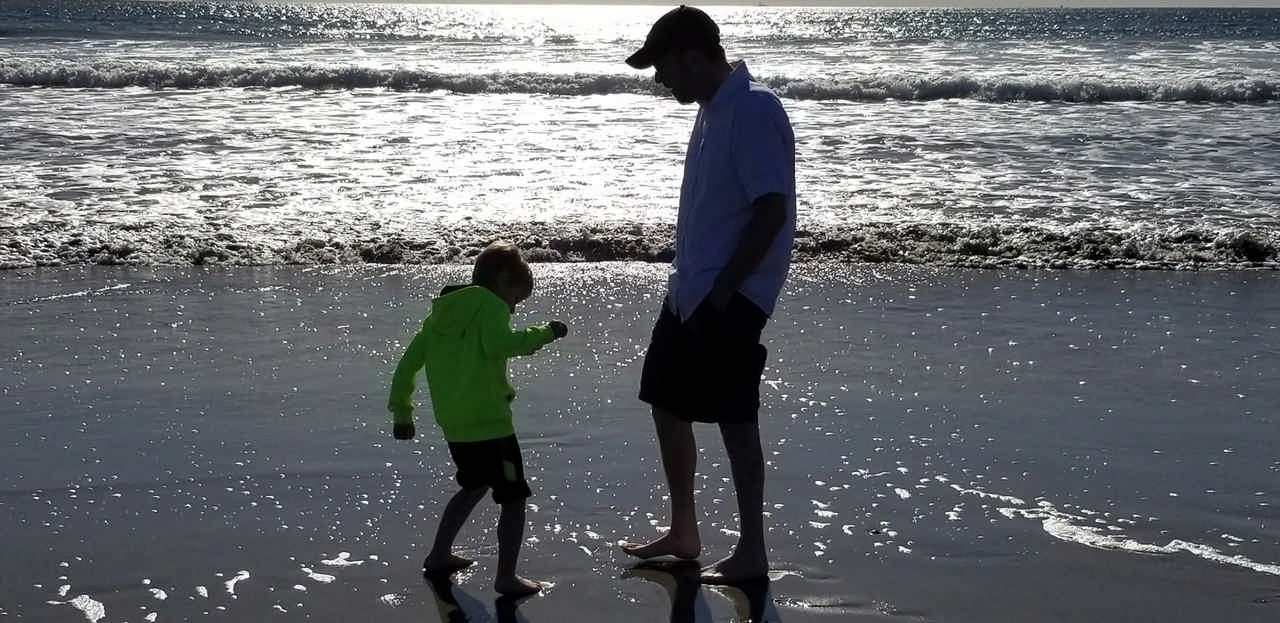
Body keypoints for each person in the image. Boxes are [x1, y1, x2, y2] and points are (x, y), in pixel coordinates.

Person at [620, 6, 797, 585]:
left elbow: (772, 209)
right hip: (690, 290)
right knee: (665, 401)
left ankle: (752, 549)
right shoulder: (711, 112)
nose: (658, 78)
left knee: (735, 419)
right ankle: (685, 529)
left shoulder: (751, 109)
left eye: (662, 65)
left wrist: (726, 289)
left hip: (730, 296)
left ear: (690, 56)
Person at [388, 241, 569, 597]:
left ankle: (439, 554)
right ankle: (506, 577)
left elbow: (407, 365)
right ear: (503, 281)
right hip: (491, 425)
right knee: (514, 497)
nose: (513, 309)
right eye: (516, 300)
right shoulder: (490, 306)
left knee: (474, 486)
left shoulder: (439, 316)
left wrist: (402, 412)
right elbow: (501, 344)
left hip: (455, 427)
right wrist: (545, 333)